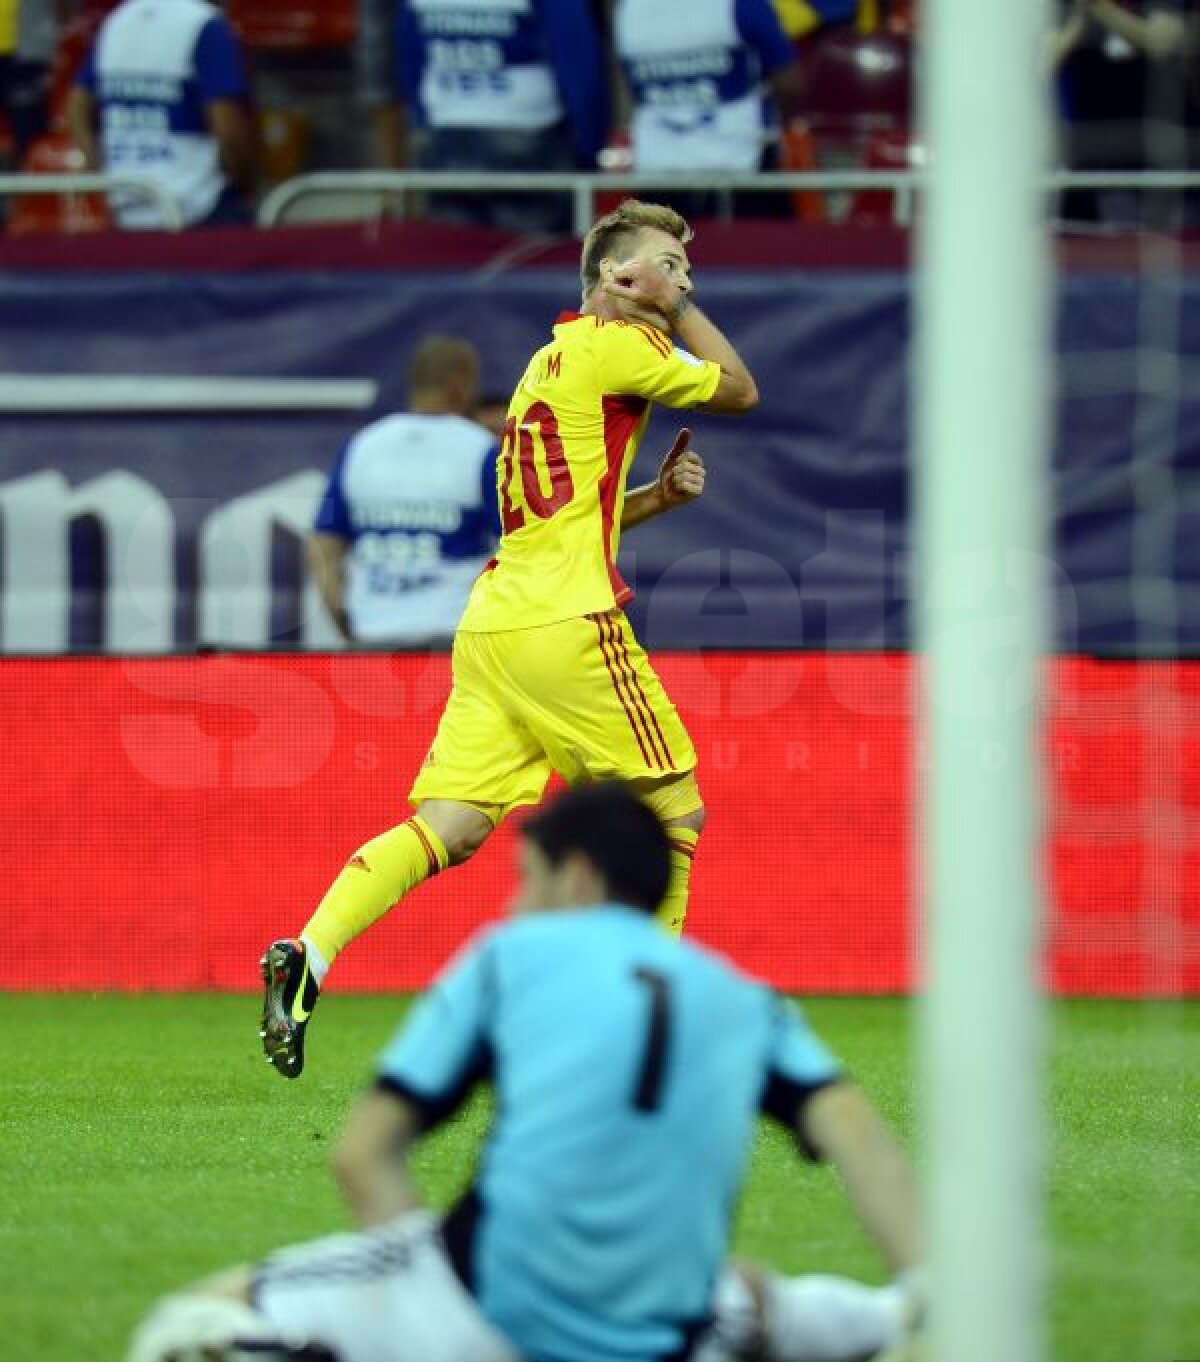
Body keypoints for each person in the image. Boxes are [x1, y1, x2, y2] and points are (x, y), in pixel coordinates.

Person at [135, 783, 924, 1362]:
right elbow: (860, 1138)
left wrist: (429, 1304)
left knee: (196, 1319)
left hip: (485, 1314)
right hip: (669, 1334)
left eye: (527, 878)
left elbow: (362, 1153)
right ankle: (913, 1311)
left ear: (577, 876)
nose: (515, 904)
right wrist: (924, 1275)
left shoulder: (509, 959)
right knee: (747, 1296)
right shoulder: (749, 1000)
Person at [260, 197, 757, 1079]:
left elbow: (558, 520)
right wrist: (674, 307)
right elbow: (740, 388)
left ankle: (311, 952)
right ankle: (644, 1028)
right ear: (617, 276)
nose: (684, 281)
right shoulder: (623, 341)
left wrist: (652, 499)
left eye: (687, 271)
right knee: (675, 811)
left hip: (495, 622)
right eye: (670, 265)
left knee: (449, 825)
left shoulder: (544, 364)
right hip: (568, 622)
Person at [308, 336, 500, 647]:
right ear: (459, 384)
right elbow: (519, 547)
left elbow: (324, 544)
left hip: (373, 634)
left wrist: (344, 619)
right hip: (453, 637)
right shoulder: (480, 448)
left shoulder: (363, 445)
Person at [392, 0, 610, 232]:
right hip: (529, 140)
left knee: (454, 249)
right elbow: (579, 67)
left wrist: (427, 119)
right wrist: (588, 150)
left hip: (448, 140)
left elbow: (409, 61)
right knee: (534, 251)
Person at [66, 0, 256, 228]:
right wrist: (246, 183)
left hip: (127, 209)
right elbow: (229, 131)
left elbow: (76, 105)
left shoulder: (117, 22)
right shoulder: (204, 24)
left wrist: (100, 172)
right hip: (199, 208)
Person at [613, 0, 804, 215]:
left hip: (657, 177)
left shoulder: (629, 9)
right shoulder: (741, 5)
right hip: (740, 176)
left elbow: (635, 90)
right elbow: (789, 84)